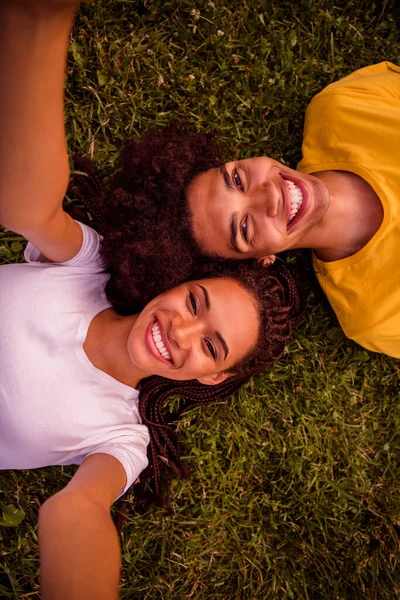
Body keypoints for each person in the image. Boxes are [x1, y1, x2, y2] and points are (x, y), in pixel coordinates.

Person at [0, 2, 306, 599]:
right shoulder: (89, 266)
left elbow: (76, 512)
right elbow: (28, 210)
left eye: (211, 345)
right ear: (173, 282)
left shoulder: (123, 439)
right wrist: (37, 29)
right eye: (194, 302)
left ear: (217, 377)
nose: (181, 331)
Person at [186, 63, 400, 359]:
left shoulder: (346, 107)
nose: (268, 197)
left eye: (237, 179)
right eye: (244, 229)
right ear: (261, 261)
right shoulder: (374, 316)